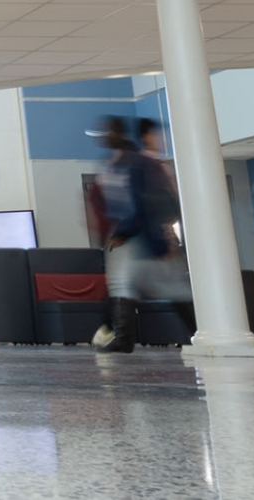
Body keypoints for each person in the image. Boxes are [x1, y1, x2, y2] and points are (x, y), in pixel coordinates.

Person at [92, 117, 192, 353]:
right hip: (139, 235)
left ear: (117, 133)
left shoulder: (134, 164)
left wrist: (126, 231)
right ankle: (124, 336)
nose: (102, 136)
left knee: (148, 285)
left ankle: (125, 337)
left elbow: (142, 202)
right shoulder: (120, 164)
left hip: (139, 236)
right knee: (145, 285)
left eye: (106, 131)